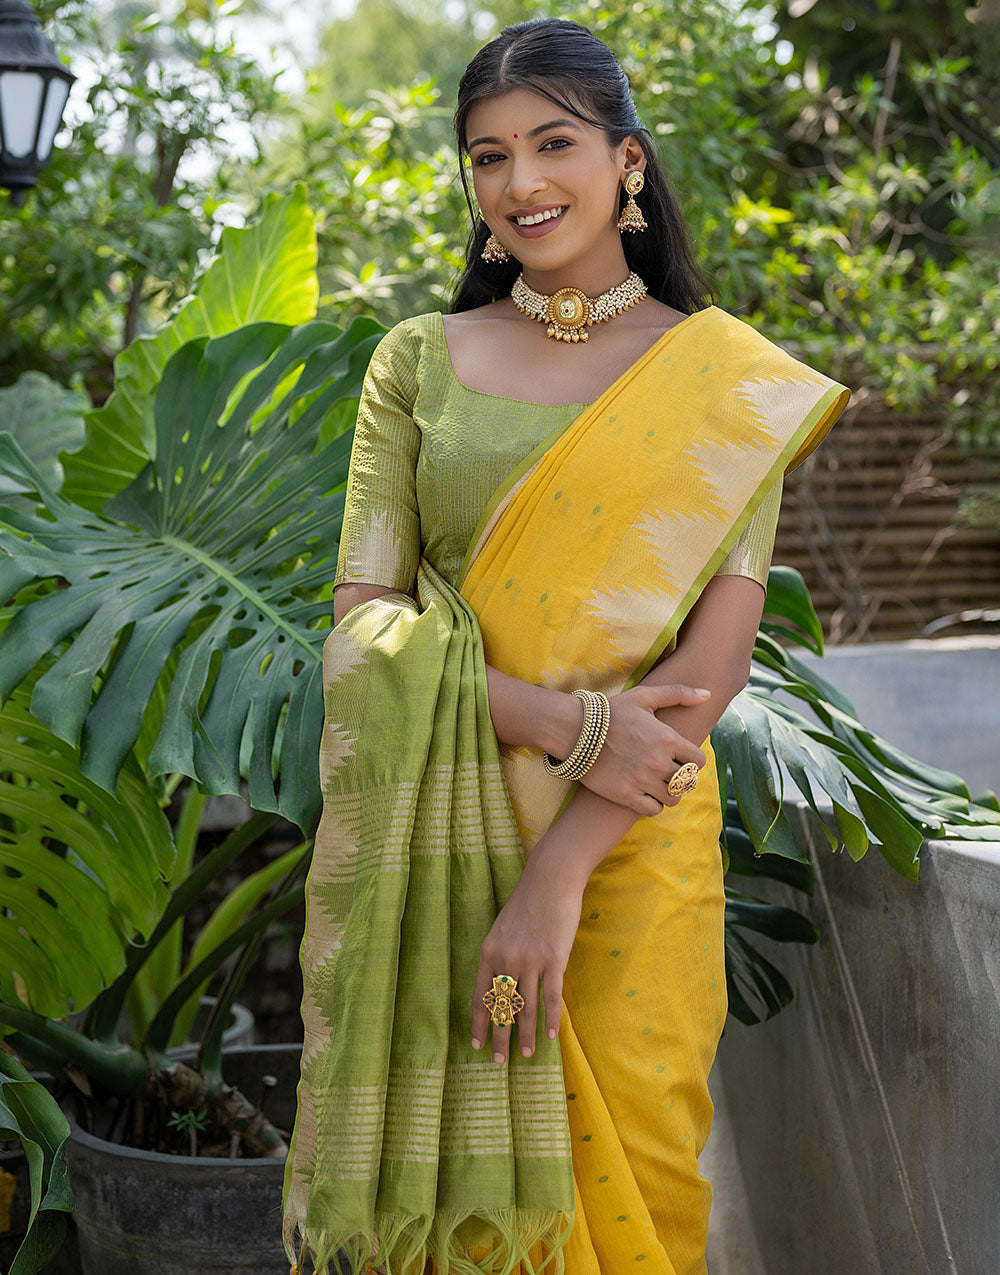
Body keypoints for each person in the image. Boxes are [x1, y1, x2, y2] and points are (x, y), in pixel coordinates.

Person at [282, 16, 850, 1275]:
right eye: (487, 156)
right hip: (443, 829)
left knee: (631, 1194)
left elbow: (708, 670)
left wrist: (556, 878)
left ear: (626, 162)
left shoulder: (723, 384)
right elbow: (361, 625)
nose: (522, 181)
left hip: (630, 854)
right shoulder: (416, 364)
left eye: (553, 143)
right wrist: (566, 725)